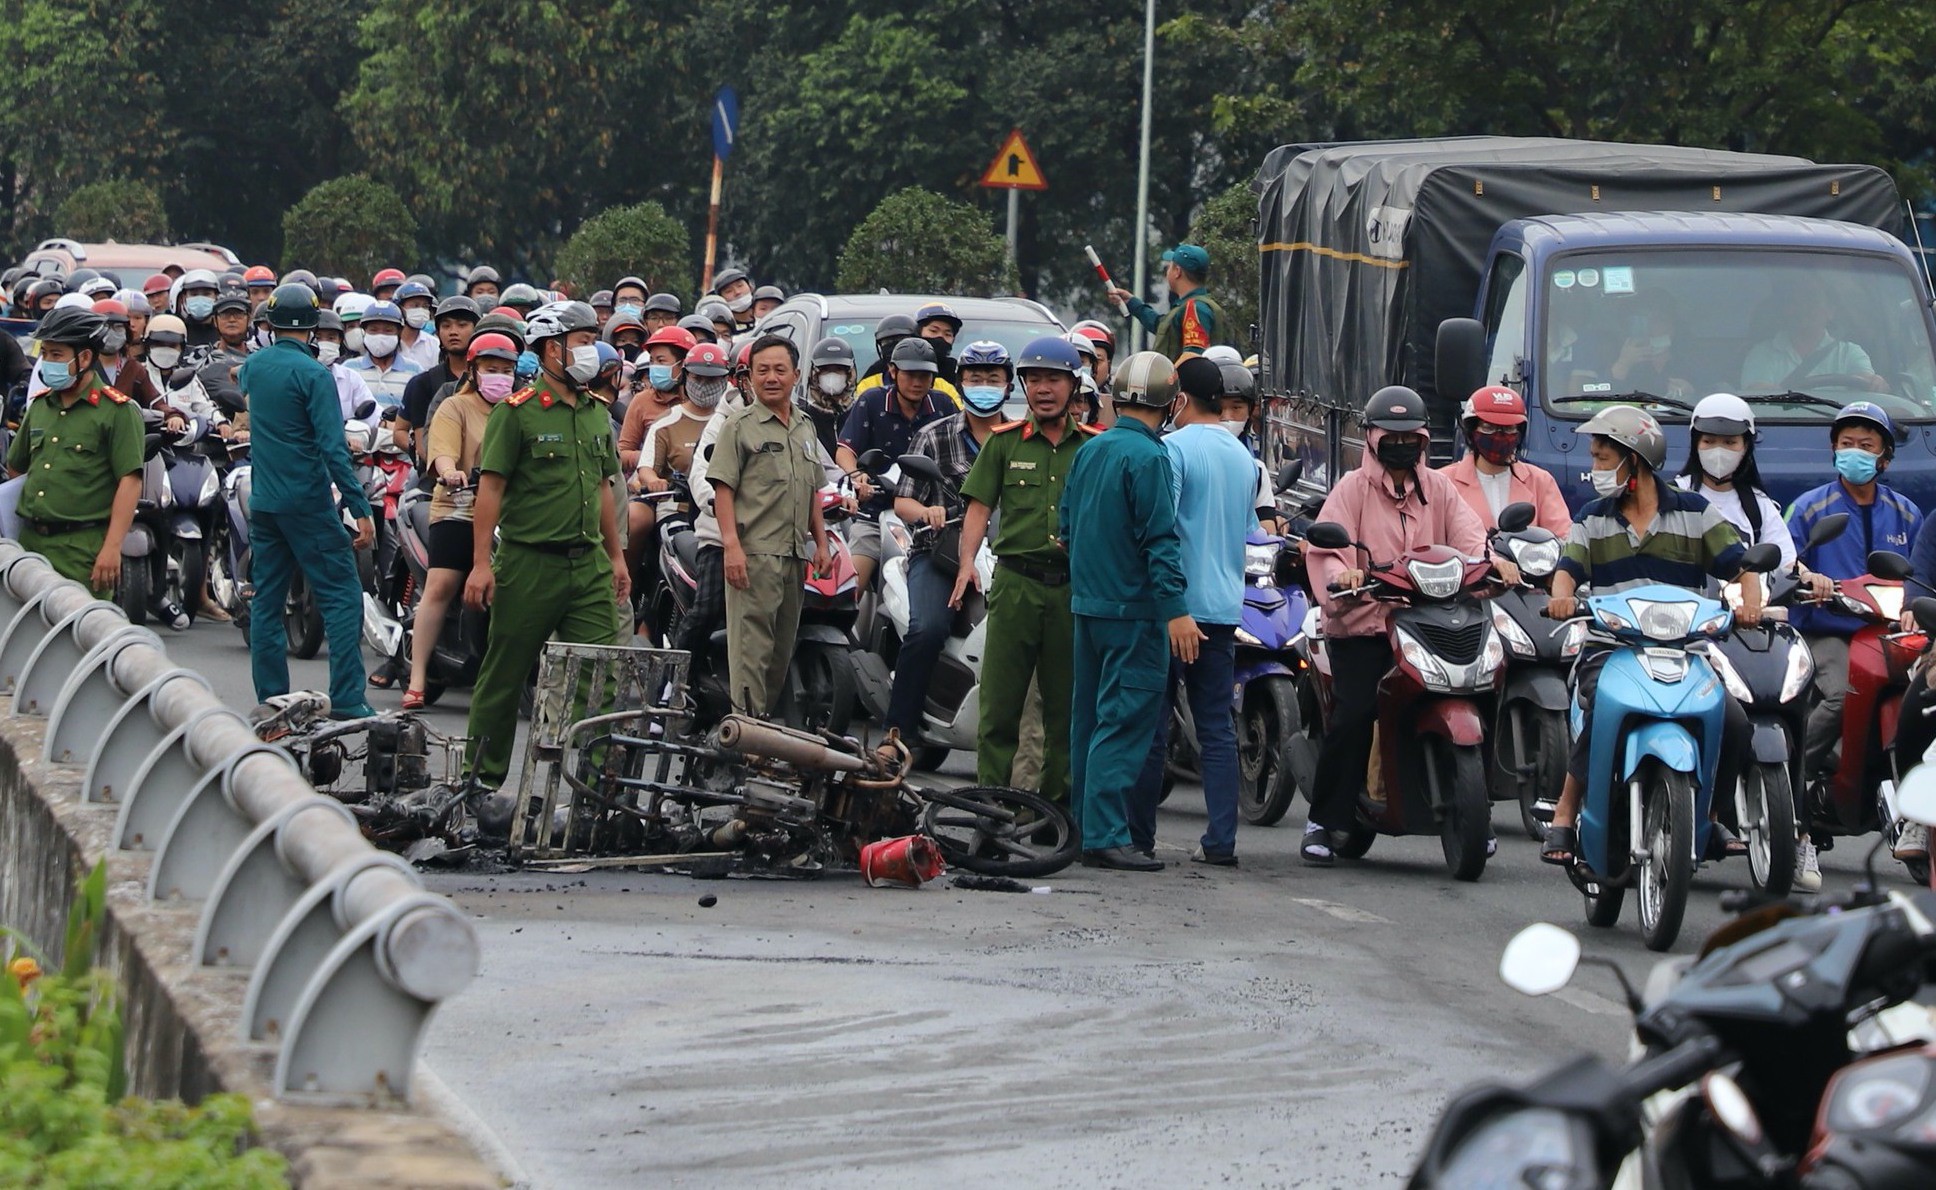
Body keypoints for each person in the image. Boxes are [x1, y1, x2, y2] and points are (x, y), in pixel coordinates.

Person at [1540, 405, 1762, 867]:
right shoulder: (1592, 517)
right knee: (1602, 707)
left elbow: (1743, 568)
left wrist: (1750, 603)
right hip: (1611, 649)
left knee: (1736, 721)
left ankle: (1713, 815)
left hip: (1686, 652)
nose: (1595, 468)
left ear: (1633, 461)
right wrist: (1562, 597)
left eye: (1603, 459)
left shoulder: (1695, 513)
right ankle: (1565, 813)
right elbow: (1567, 570)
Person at [1298, 386, 1489, 865]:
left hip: (1427, 623)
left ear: (1424, 438)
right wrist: (1344, 575)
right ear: (1371, 436)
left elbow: (1471, 537)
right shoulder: (1351, 490)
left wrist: (1491, 563)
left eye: (1412, 436)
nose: (1403, 444)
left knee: (1477, 691)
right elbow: (1326, 551)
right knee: (1356, 713)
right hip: (1365, 625)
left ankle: (1475, 815)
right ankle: (1324, 819)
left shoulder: (1441, 488)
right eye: (1392, 435)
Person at [463, 301, 629, 792]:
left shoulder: (597, 413)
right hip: (528, 562)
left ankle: (593, 789)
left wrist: (616, 557)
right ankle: (481, 787)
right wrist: (480, 565)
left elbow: (603, 488)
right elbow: (489, 490)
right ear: (552, 349)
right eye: (580, 342)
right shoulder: (516, 414)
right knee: (504, 676)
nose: (589, 352)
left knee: (601, 676)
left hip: (589, 566)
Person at [1122, 356, 1261, 866]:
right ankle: (1222, 842)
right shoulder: (1244, 457)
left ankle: (1139, 836)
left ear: (1180, 399)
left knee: (1153, 722)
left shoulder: (1171, 449)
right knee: (1218, 727)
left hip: (1174, 607)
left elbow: (1164, 527)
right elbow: (1246, 526)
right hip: (1224, 608)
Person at [950, 336, 1100, 806]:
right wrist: (965, 564)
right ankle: (992, 805)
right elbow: (978, 509)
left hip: (1072, 590)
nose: (1042, 389)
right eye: (1033, 379)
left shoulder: (1094, 448)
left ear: (1074, 386)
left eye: (1053, 379)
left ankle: (1054, 811)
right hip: (1015, 585)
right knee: (1000, 704)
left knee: (1065, 708)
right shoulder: (1004, 443)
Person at [1060, 352, 1194, 871]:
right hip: (1134, 613)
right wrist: (1175, 610)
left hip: (1089, 607)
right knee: (1123, 722)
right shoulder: (1150, 459)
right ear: (1171, 403)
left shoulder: (1091, 451)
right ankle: (1107, 834)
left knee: (1089, 720)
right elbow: (1160, 541)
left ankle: (1083, 827)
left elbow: (1067, 528)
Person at [239, 284, 377, 719]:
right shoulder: (315, 375)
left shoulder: (254, 366)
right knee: (342, 596)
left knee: (267, 600)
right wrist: (360, 508)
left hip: (264, 502)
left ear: (271, 324)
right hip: (308, 501)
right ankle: (349, 699)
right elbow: (334, 450)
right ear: (314, 325)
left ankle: (271, 698)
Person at [1793, 402, 1922, 796]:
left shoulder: (1906, 512)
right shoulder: (1811, 507)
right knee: (1839, 699)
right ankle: (1792, 783)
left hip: (1891, 631)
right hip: (1831, 630)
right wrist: (1808, 576)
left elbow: (1923, 574)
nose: (1856, 452)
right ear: (1834, 450)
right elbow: (1785, 559)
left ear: (1884, 456)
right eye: (1847, 443)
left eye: (1866, 445)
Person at [886, 341, 1012, 740]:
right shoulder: (934, 436)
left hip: (1008, 557)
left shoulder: (1023, 438)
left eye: (993, 379)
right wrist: (927, 512)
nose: (985, 386)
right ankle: (897, 732)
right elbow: (903, 500)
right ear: (961, 383)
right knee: (927, 630)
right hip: (939, 555)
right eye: (976, 378)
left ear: (1009, 385)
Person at [709, 335, 832, 715]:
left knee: (780, 652)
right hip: (755, 555)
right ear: (749, 377)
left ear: (796, 375)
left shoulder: (806, 426)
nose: (771, 378)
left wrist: (822, 544)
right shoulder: (739, 426)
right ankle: (746, 738)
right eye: (762, 370)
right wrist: (731, 546)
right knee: (751, 653)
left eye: (780, 370)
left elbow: (813, 489)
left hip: (795, 556)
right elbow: (723, 490)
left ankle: (762, 728)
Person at [399, 332, 518, 708]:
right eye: (491, 369)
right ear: (474, 370)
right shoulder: (455, 407)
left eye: (506, 370)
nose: (499, 376)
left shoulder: (519, 408)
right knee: (441, 585)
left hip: (509, 514)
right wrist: (451, 472)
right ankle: (417, 678)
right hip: (459, 506)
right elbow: (442, 452)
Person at [4, 307, 144, 591]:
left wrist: (112, 548)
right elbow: (17, 466)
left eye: (57, 355)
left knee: (84, 631)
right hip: (30, 547)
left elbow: (130, 482)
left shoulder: (117, 411)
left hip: (83, 551)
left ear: (85, 357)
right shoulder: (40, 406)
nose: (47, 362)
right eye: (45, 354)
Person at [837, 336, 953, 593]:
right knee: (850, 588)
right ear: (892, 371)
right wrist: (856, 475)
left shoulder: (945, 406)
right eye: (910, 374)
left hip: (932, 521)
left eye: (924, 375)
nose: (917, 382)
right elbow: (845, 450)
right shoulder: (871, 401)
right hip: (875, 515)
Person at [1438, 386, 1571, 535]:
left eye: (1508, 429)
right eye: (1488, 427)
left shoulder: (1540, 481)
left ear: (1520, 432)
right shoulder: (1442, 482)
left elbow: (1562, 537)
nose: (1498, 437)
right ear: (1471, 431)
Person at [1742, 284, 1888, 394]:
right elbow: (1756, 394)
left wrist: (1876, 384)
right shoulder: (1763, 353)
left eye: (1811, 300)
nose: (1802, 308)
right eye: (1794, 302)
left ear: (1831, 311)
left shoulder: (1850, 353)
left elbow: (1866, 383)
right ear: (1785, 310)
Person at [1106, 243, 1224, 362]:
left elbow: (1193, 358)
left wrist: (1169, 378)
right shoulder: (1190, 306)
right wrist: (1131, 302)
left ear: (1177, 271)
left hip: (1183, 381)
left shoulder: (1194, 308)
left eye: (1169, 267)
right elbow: (1161, 326)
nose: (1167, 272)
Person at [397, 295, 480, 459]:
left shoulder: (493, 380)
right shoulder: (423, 383)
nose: (453, 332)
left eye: (462, 325)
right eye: (446, 326)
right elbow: (420, 445)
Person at [1606, 296, 1692, 400]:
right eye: (1642, 321)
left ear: (1672, 325)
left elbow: (1710, 396)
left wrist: (1690, 393)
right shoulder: (1613, 358)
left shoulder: (1692, 362)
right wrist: (1623, 364)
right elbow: (1601, 399)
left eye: (1658, 320)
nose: (1649, 327)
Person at [343, 300, 423, 410]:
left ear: (399, 332)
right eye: (373, 330)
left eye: (388, 330)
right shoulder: (349, 369)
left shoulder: (415, 371)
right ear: (364, 332)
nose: (380, 336)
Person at [801, 336, 858, 460]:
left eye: (838, 370)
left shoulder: (861, 413)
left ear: (850, 374)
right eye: (825, 370)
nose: (832, 376)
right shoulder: (803, 417)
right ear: (815, 375)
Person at [392, 281, 441, 371]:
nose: (421, 310)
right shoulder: (389, 343)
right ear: (399, 308)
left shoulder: (434, 344)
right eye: (415, 305)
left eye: (425, 306)